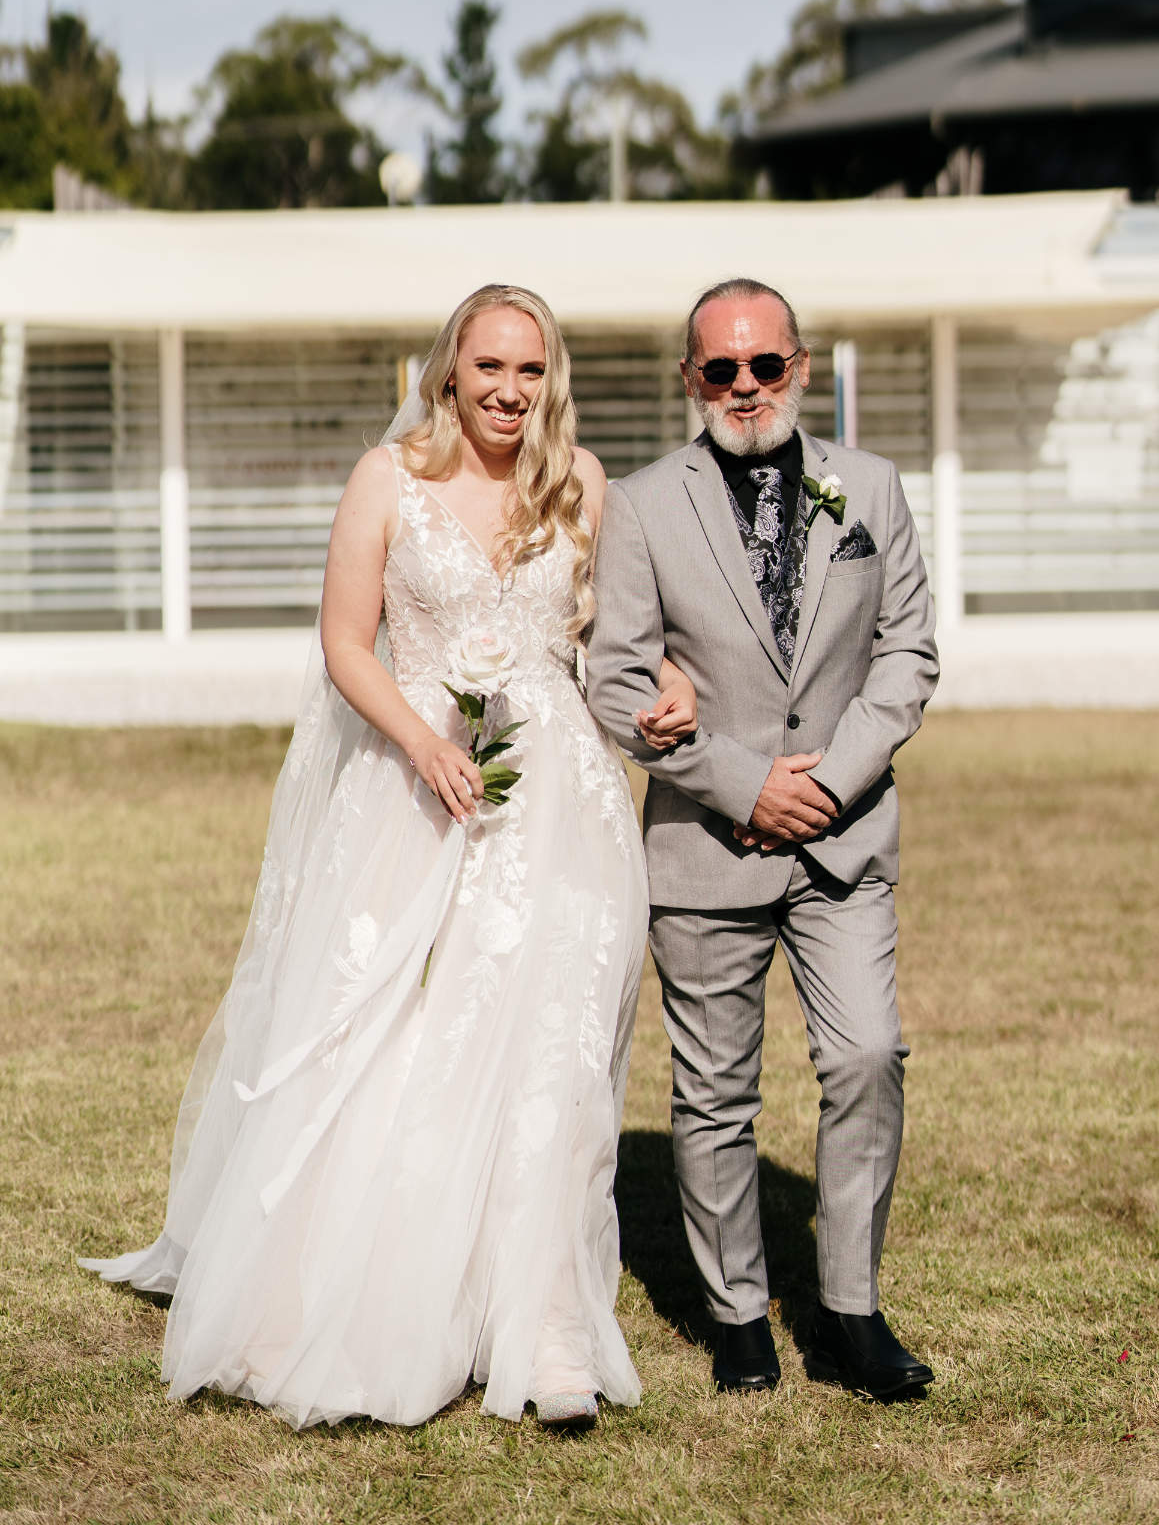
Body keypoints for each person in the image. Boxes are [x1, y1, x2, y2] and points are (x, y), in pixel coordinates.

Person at [81, 283, 696, 1432]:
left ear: (549, 377)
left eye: (529, 370)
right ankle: (376, 1302)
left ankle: (543, 1325)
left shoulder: (584, 487)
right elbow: (344, 640)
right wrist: (421, 743)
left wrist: (664, 682)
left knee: (552, 1057)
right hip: (418, 794)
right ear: (451, 369)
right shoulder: (389, 480)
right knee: (396, 1040)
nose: (509, 391)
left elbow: (618, 641)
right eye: (489, 368)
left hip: (562, 801)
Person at [587, 276, 939, 1400]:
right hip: (706, 846)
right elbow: (618, 684)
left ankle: (849, 1309)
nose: (746, 386)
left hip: (844, 843)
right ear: (691, 379)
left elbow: (908, 657)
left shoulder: (870, 487)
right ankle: (737, 1313)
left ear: (800, 362)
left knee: (868, 1057)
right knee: (715, 1094)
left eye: (766, 365)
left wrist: (825, 787)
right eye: (722, 369)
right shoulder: (641, 505)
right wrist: (744, 787)